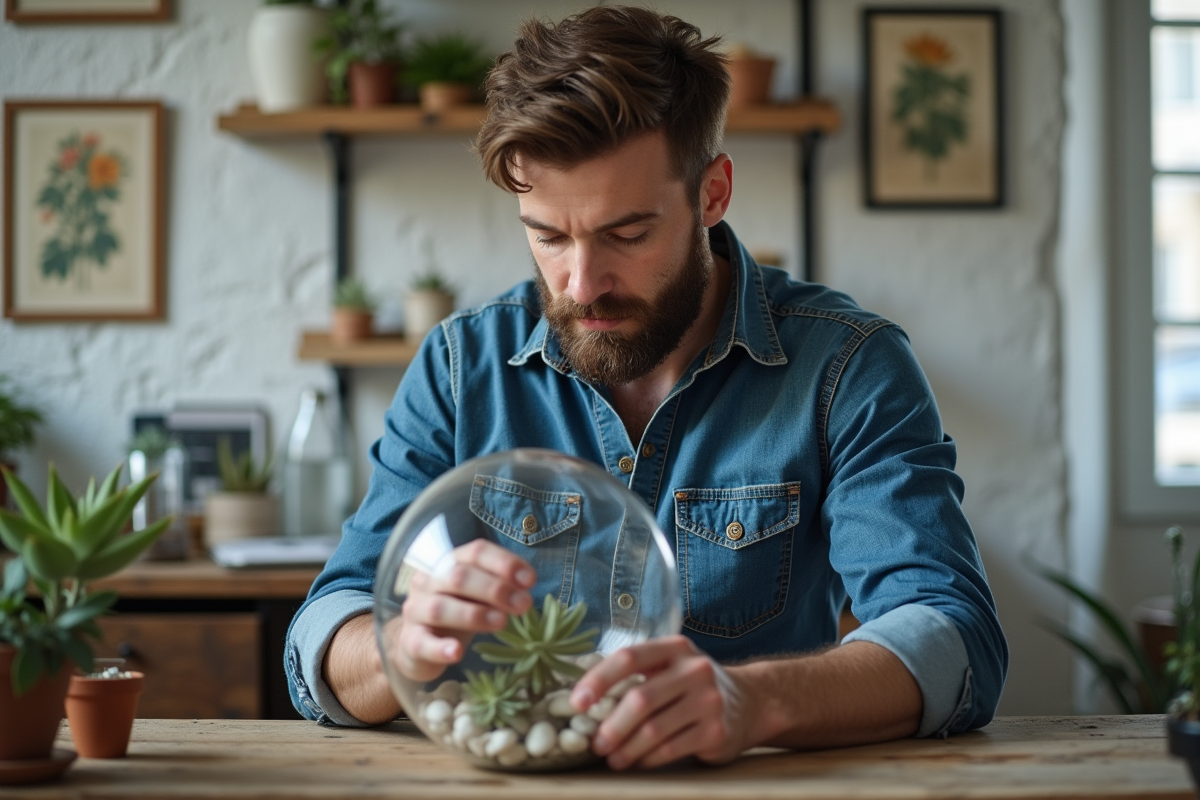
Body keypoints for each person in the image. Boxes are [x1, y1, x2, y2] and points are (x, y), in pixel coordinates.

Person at [285, 4, 1007, 771]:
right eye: (548, 236)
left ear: (713, 194)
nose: (582, 284)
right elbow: (322, 639)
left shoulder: (848, 366)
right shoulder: (461, 366)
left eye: (627, 234)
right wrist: (401, 642)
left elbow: (953, 637)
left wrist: (752, 701)